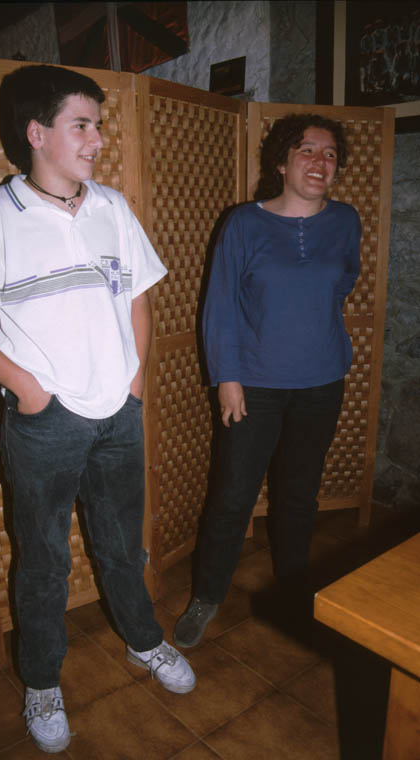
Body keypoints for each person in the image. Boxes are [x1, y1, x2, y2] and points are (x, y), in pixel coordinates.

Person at [0, 64, 195, 755]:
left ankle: (143, 639)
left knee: (122, 544)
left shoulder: (111, 206)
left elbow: (138, 296)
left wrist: (134, 381)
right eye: (82, 125)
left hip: (118, 414)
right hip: (44, 425)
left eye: (97, 126)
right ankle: (43, 682)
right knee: (44, 561)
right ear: (37, 132)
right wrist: (26, 388)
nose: (98, 140)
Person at [174, 113, 361, 648]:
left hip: (322, 379)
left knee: (299, 495)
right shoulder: (243, 223)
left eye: (329, 154)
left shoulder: (345, 220)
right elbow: (220, 305)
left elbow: (345, 279)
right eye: (307, 150)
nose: (320, 162)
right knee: (233, 495)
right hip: (253, 384)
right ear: (282, 162)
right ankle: (207, 595)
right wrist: (227, 377)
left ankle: (294, 589)